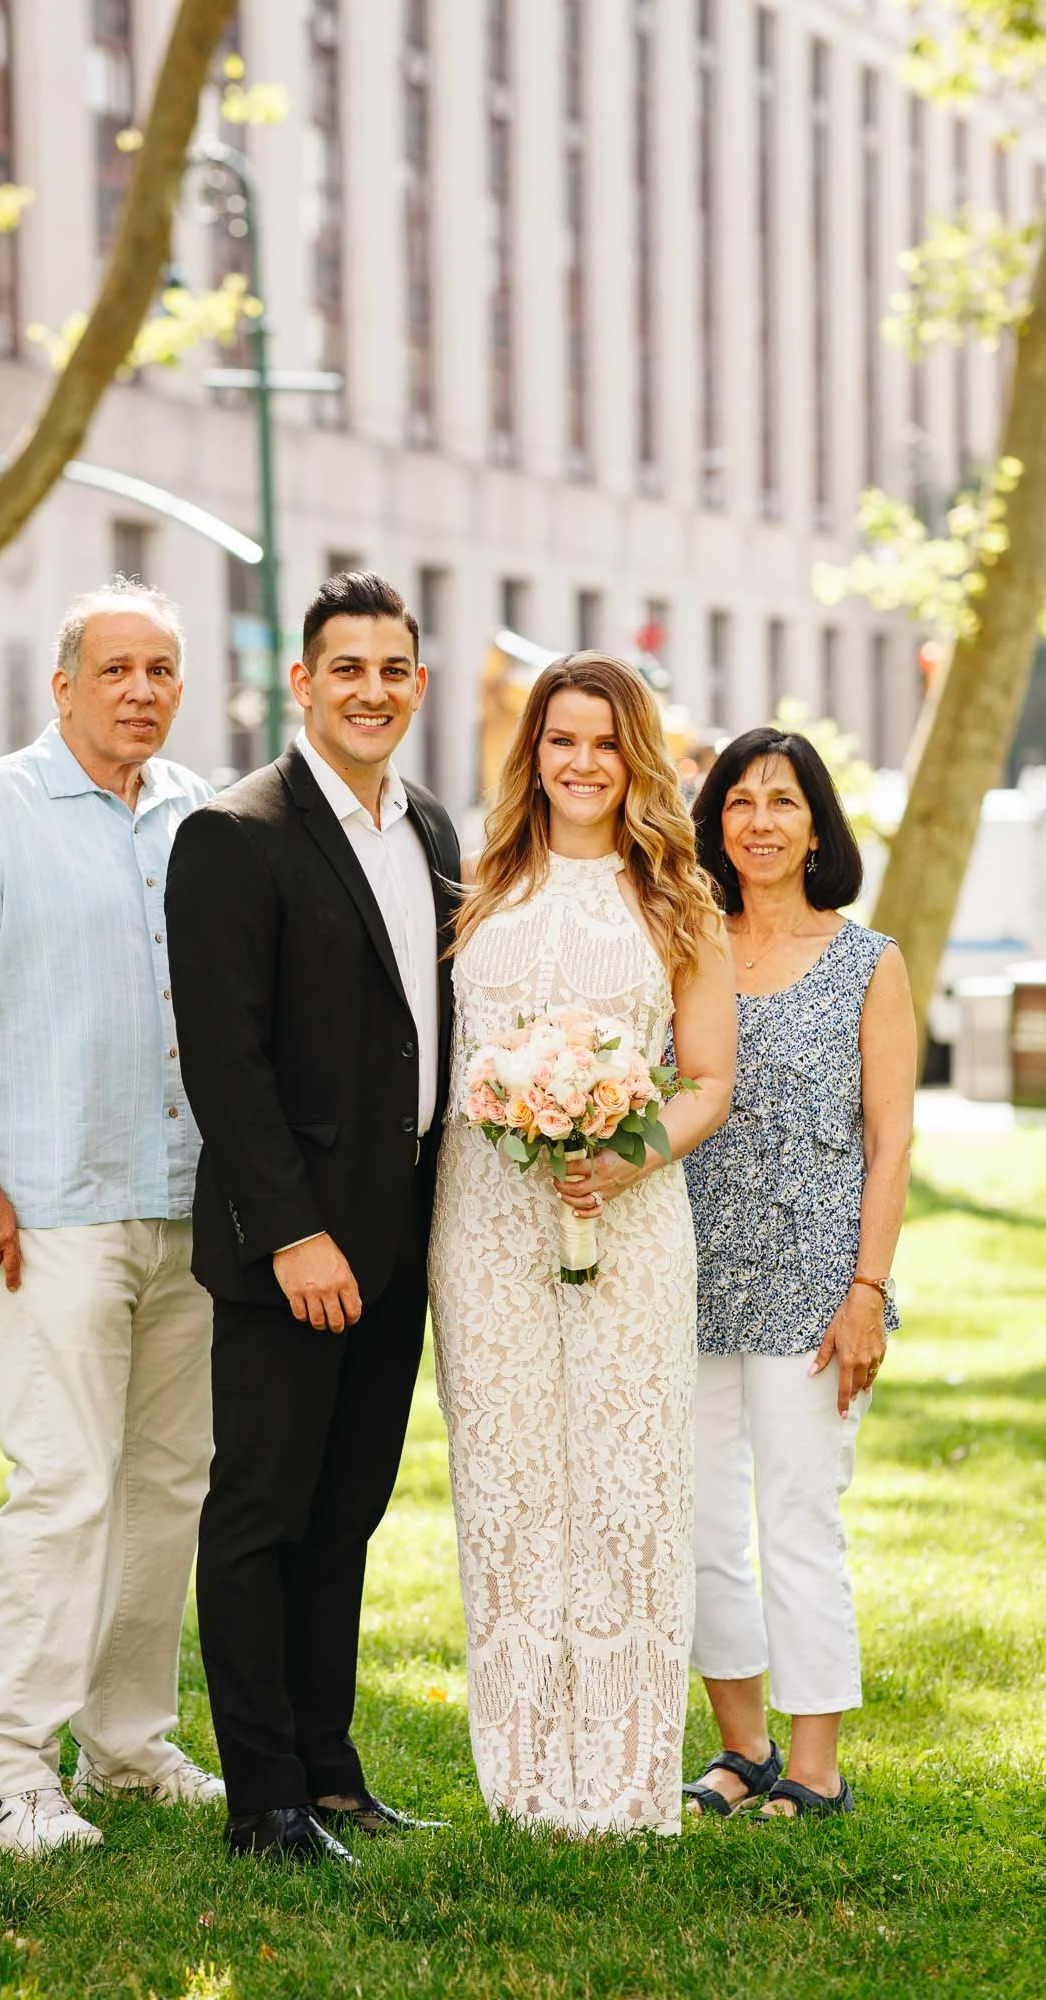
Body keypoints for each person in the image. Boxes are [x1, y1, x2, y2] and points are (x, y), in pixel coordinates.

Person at [0, 578, 223, 1856]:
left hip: (189, 1203)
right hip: (52, 1207)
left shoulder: (200, 812)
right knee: (64, 1485)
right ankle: (1, 1768)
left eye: (161, 668)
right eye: (116, 668)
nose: (141, 689)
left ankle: (125, 1743)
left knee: (166, 1485)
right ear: (62, 684)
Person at [166, 571, 461, 1865]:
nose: (371, 691)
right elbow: (222, 1061)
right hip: (293, 1248)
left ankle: (331, 1775)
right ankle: (263, 1798)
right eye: (347, 667)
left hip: (401, 1237)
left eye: (393, 669)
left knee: (346, 1515)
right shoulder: (233, 834)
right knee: (261, 1515)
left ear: (418, 683)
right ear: (302, 682)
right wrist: (291, 1231)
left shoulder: (432, 827)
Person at [429, 654, 736, 1836]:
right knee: (506, 1484)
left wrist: (624, 1154)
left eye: (605, 741)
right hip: (485, 1218)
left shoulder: (679, 899)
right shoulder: (477, 884)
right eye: (561, 738)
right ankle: (521, 1773)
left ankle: (620, 1775)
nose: (582, 761)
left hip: (632, 1215)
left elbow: (706, 1079)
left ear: (634, 755)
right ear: (533, 751)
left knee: (623, 1484)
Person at [680, 726, 916, 1821]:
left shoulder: (869, 961)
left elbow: (890, 1139)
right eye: (739, 801)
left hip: (814, 1286)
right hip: (685, 1277)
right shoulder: (683, 943)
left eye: (781, 801)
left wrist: (867, 1292)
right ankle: (742, 1748)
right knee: (695, 1521)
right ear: (715, 822)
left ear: (815, 825)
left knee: (797, 1516)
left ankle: (816, 1763)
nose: (759, 821)